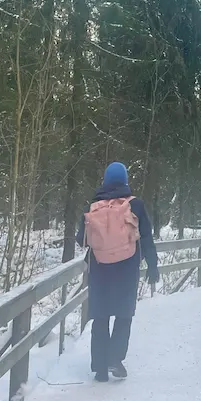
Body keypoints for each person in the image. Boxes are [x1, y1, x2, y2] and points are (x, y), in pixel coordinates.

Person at [76, 162, 159, 382]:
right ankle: (115, 359)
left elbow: (80, 239)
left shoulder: (94, 206)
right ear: (125, 180)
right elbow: (147, 237)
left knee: (100, 317)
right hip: (127, 269)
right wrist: (153, 265)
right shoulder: (136, 205)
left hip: (99, 270)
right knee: (124, 315)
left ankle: (100, 369)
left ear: (104, 180)